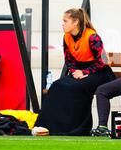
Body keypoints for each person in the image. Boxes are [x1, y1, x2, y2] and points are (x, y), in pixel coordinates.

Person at [34, 8, 114, 136]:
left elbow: (104, 62)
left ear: (76, 22)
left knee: (77, 87)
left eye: (65, 21)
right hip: (80, 72)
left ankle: (79, 128)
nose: (63, 24)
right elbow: (69, 61)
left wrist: (85, 72)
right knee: (57, 85)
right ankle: (49, 127)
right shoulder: (67, 37)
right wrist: (75, 71)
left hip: (100, 73)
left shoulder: (92, 37)